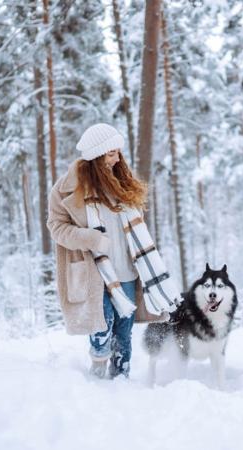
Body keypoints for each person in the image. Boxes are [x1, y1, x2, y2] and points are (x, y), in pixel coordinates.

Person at [47, 123, 167, 379]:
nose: (117, 158)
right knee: (103, 323)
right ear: (96, 156)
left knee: (124, 328)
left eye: (118, 152)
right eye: (111, 153)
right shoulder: (65, 188)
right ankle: (99, 370)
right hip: (94, 270)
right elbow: (56, 227)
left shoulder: (122, 183)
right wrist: (88, 238)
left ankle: (121, 375)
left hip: (127, 267)